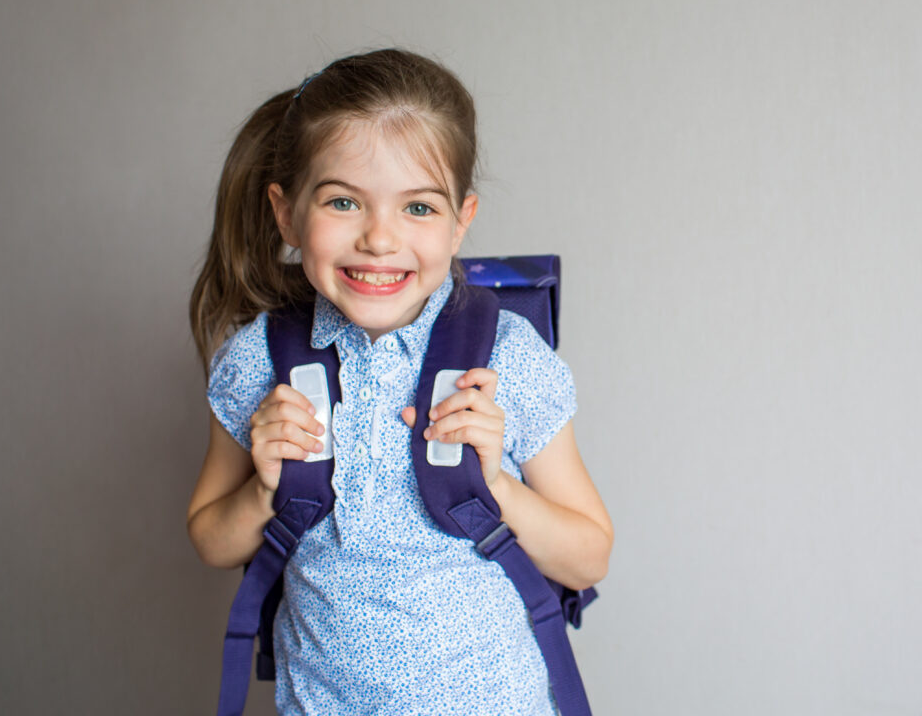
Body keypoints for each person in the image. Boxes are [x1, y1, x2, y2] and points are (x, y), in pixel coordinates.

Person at [187, 48, 613, 715]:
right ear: (286, 213)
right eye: (343, 201)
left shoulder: (506, 357)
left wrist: (496, 483)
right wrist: (264, 486)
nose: (380, 239)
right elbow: (211, 537)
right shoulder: (258, 360)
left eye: (417, 208)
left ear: (461, 220)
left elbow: (588, 558)